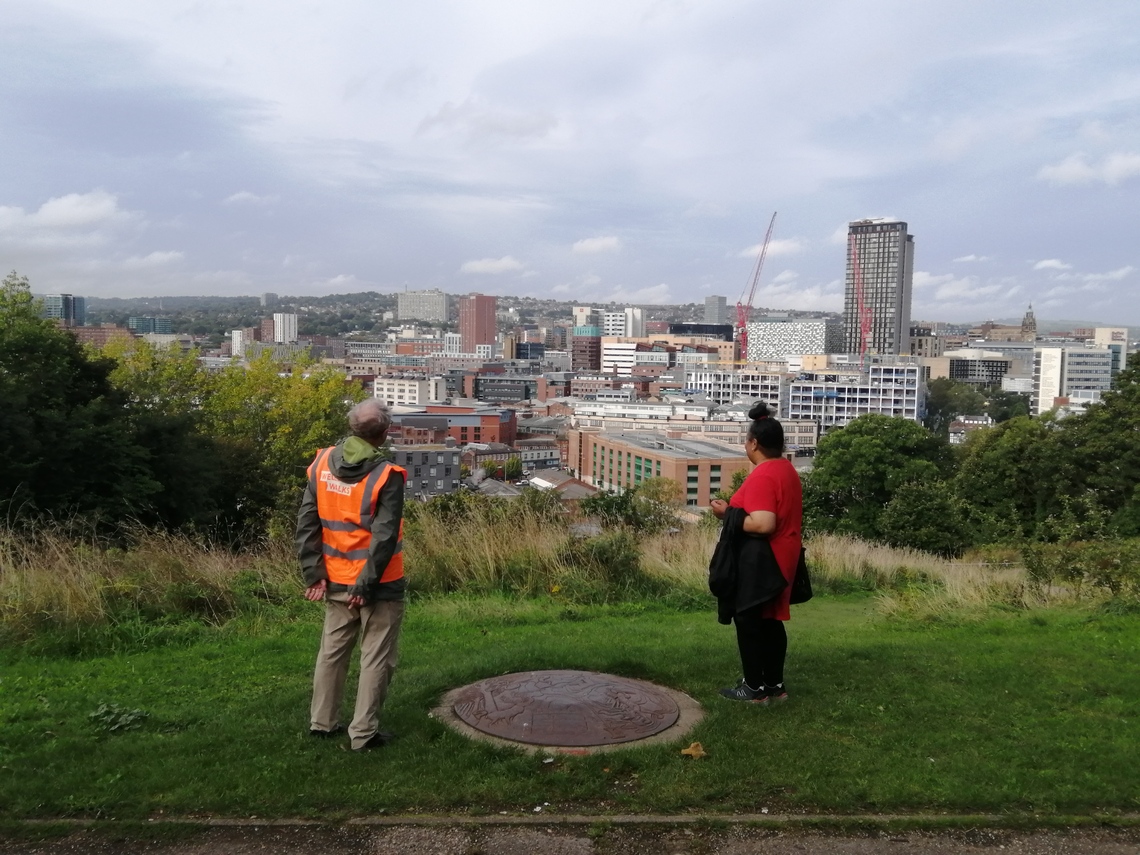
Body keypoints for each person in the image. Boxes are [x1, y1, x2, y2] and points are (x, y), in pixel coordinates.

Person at [297, 398, 407, 750]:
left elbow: (307, 523)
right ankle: (363, 734)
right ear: (385, 433)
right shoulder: (386, 475)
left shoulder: (321, 464)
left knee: (332, 652)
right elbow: (384, 535)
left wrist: (314, 573)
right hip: (378, 582)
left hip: (334, 575)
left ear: (352, 428)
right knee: (376, 657)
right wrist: (367, 584)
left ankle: (322, 722)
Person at [710, 401, 803, 705]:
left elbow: (763, 524)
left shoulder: (763, 475)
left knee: (748, 619)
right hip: (784, 556)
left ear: (753, 443)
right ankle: (774, 685)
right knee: (770, 620)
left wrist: (727, 514)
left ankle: (753, 689)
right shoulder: (786, 469)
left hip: (764, 560)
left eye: (746, 440)